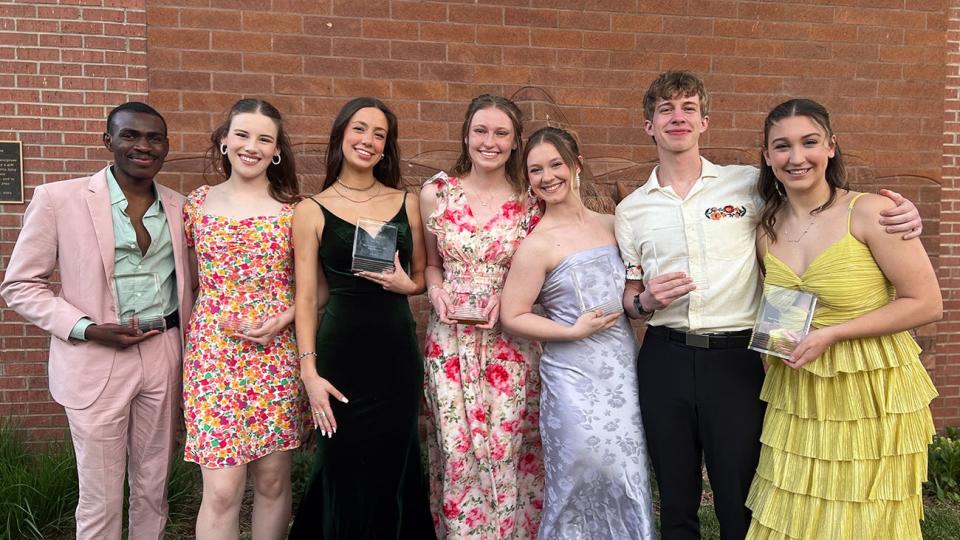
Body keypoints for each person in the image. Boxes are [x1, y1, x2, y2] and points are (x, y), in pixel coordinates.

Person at [614, 70, 924, 539]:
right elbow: (632, 298)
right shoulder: (631, 209)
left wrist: (904, 215)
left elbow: (818, 209)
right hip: (666, 355)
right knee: (675, 497)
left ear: (705, 122)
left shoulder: (746, 188)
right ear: (649, 126)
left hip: (736, 358)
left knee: (743, 494)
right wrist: (645, 301)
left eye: (689, 108)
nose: (678, 118)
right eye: (665, 110)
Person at [745, 98, 940, 539]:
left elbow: (926, 302)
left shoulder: (871, 212)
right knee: (792, 508)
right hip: (800, 390)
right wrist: (777, 348)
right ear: (767, 156)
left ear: (831, 147)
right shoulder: (766, 227)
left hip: (872, 387)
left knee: (861, 513)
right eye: (782, 146)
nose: (797, 157)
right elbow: (784, 311)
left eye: (809, 142)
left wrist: (833, 333)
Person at [0, 102, 193, 540]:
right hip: (94, 356)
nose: (142, 146)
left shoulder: (182, 208)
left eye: (154, 138)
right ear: (109, 142)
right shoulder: (58, 198)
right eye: (130, 136)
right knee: (100, 494)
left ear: (165, 146)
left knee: (153, 487)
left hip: (162, 352)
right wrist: (88, 327)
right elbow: (20, 285)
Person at [289, 96, 434, 539]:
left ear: (387, 147)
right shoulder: (310, 209)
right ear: (340, 135)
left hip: (395, 357)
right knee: (343, 468)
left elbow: (424, 274)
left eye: (379, 134)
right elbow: (308, 297)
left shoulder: (408, 201)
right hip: (340, 359)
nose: (368, 140)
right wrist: (309, 372)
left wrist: (406, 285)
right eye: (359, 129)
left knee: (395, 466)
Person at [500, 126, 655, 540]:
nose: (547, 176)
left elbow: (633, 292)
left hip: (621, 371)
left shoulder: (613, 225)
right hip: (571, 377)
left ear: (576, 166)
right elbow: (512, 315)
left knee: (626, 473)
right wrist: (571, 331)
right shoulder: (537, 244)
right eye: (535, 170)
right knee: (581, 473)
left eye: (555, 164)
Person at [420, 94, 545, 539]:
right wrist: (435, 291)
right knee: (456, 450)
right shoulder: (437, 193)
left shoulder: (531, 202)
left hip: (509, 339)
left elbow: (541, 271)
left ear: (515, 143)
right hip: (449, 340)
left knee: (507, 446)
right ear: (466, 135)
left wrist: (510, 299)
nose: (489, 142)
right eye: (480, 131)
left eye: (500, 133)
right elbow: (430, 264)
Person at [182, 98, 305, 540]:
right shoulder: (194, 206)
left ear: (276, 151)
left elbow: (318, 286)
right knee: (221, 489)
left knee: (272, 481)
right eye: (242, 134)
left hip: (273, 357)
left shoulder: (295, 210)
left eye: (264, 138)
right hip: (213, 359)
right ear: (224, 141)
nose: (251, 146)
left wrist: (284, 319)